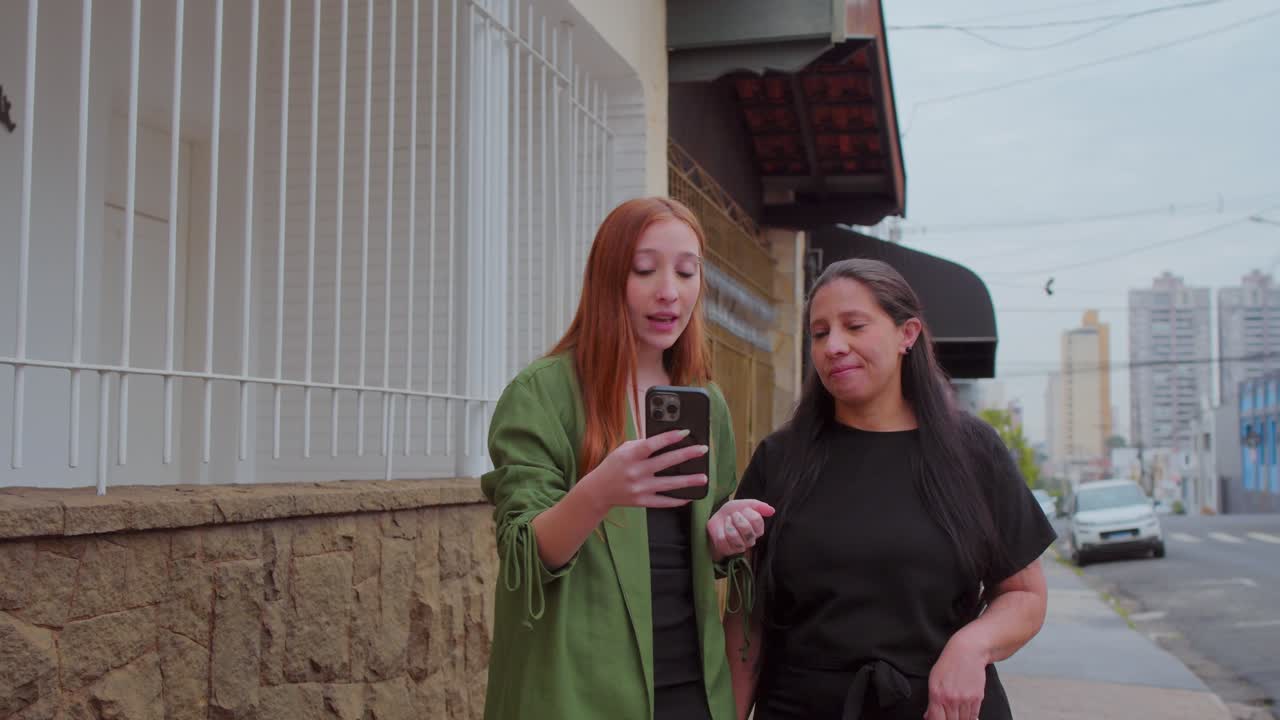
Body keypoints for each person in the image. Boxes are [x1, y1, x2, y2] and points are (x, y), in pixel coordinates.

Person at [721, 258, 1056, 720]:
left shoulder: (972, 451)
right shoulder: (780, 460)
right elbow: (748, 623)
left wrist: (972, 646)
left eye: (854, 326)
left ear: (907, 334)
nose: (834, 346)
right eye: (819, 334)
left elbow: (1025, 595)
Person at [481, 196, 774, 720]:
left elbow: (696, 545)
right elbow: (523, 562)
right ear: (609, 278)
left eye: (687, 272)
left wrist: (724, 531)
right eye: (645, 270)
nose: (669, 292)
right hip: (578, 688)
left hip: (693, 687)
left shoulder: (705, 399)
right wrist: (599, 491)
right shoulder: (543, 393)